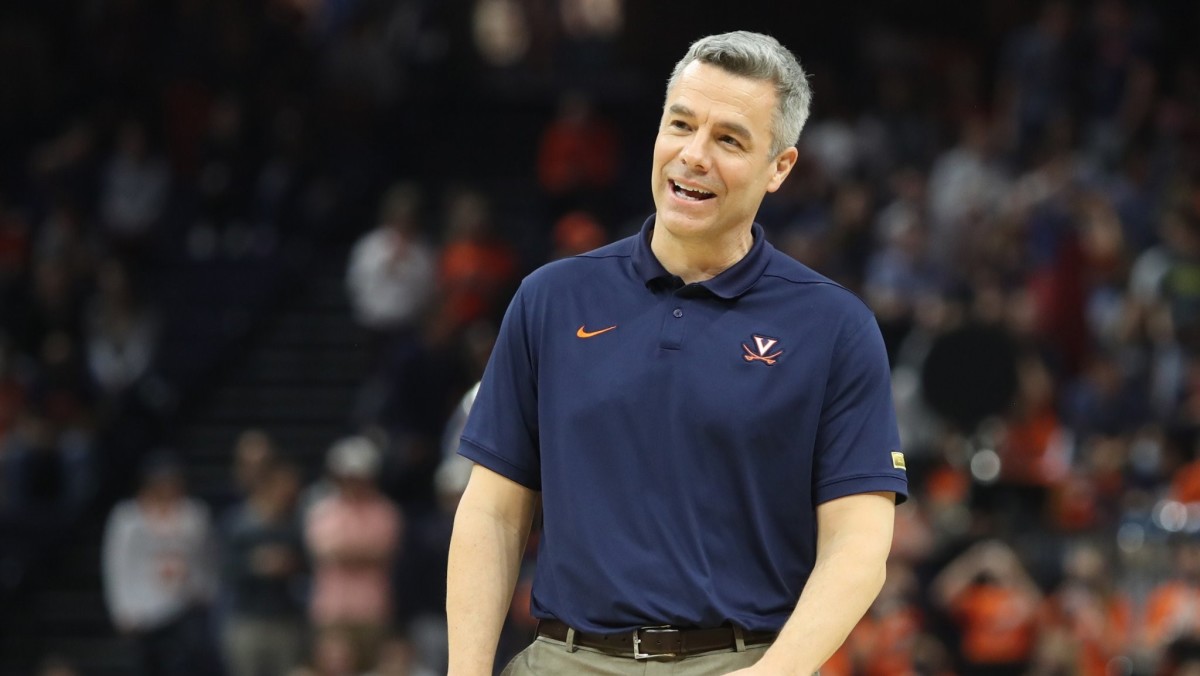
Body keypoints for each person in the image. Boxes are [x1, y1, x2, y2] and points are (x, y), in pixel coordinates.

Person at [446, 30, 908, 676]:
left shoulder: (835, 327)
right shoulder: (550, 299)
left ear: (780, 167)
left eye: (729, 139)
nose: (693, 156)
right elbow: (493, 513)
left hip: (741, 661)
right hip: (562, 659)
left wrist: (774, 674)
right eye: (681, 125)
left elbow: (857, 545)